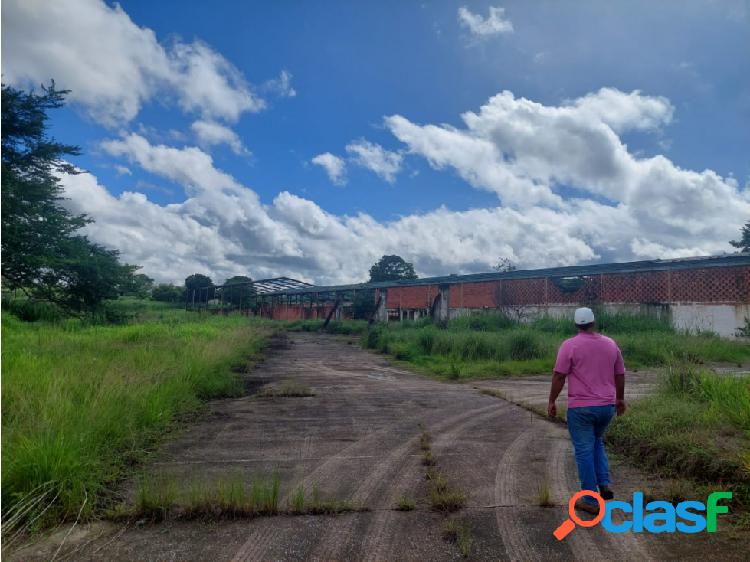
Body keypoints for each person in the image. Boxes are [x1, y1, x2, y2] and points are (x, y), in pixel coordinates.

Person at [547, 307, 626, 514]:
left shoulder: (570, 345)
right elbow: (620, 374)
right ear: (593, 322)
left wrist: (552, 401)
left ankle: (590, 499)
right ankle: (604, 484)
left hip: (581, 409)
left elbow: (559, 376)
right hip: (606, 407)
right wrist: (620, 399)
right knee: (597, 442)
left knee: (583, 449)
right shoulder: (610, 344)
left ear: (576, 324)